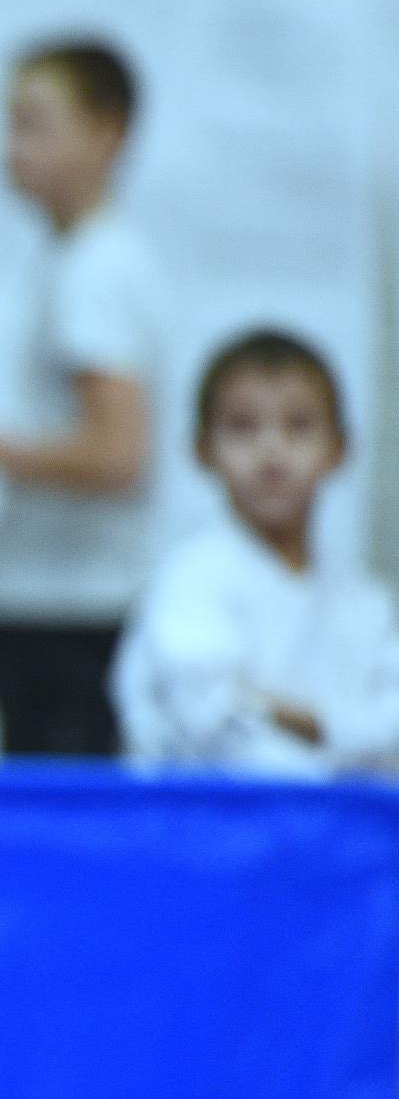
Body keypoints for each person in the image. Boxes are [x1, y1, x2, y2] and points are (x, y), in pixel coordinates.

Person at [0, 39, 162, 756]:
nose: (12, 147)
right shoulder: (75, 257)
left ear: (108, 133)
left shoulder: (96, 269)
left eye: (35, 125)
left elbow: (116, 455)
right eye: (10, 123)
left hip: (68, 608)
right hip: (51, 602)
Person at [115, 331, 398, 778]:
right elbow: (209, 725)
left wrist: (289, 713)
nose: (271, 450)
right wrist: (337, 744)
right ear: (203, 450)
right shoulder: (192, 578)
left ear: (340, 449)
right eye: (243, 426)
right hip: (212, 830)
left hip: (348, 835)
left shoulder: (365, 600)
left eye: (299, 425)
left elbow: (392, 729)